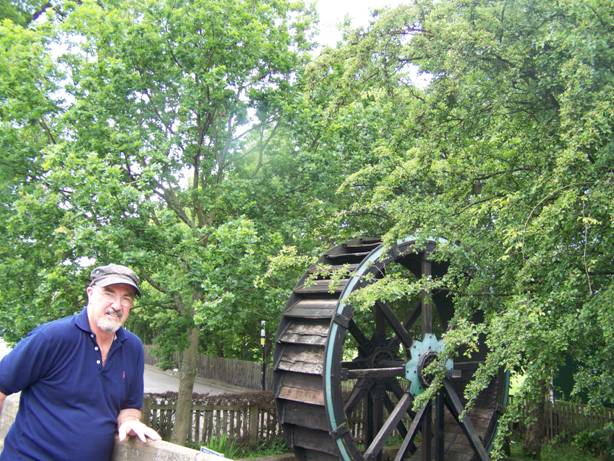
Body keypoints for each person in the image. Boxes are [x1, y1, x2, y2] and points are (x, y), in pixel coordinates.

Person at [0, 263, 161, 460]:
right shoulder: (52, 337)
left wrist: (129, 421)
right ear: (90, 293)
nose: (117, 305)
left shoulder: (132, 347)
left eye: (126, 298)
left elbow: (129, 406)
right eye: (109, 293)